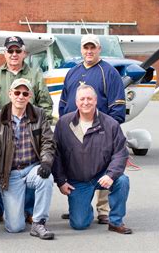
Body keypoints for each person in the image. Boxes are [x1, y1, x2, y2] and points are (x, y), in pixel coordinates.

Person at [0, 36, 53, 225]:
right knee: (2, 168)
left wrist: (40, 128)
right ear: (4, 53)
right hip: (0, 133)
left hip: (28, 130)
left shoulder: (36, 75)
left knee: (30, 165)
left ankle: (30, 210)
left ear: (24, 53)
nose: (14, 54)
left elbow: (46, 104)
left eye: (18, 51)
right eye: (10, 51)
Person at [58, 34, 126, 224]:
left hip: (100, 131)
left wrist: (107, 132)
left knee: (104, 169)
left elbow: (117, 108)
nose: (89, 51)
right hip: (74, 129)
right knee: (76, 168)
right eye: (86, 48)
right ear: (81, 50)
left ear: (99, 49)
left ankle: (103, 210)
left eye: (93, 48)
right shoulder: (72, 72)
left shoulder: (109, 72)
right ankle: (78, 205)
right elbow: (64, 103)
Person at [0, 78, 55, 240]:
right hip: (10, 174)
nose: (20, 96)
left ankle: (38, 222)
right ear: (10, 94)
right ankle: (17, 211)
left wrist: (46, 162)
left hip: (32, 167)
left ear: (29, 96)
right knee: (15, 227)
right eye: (17, 92)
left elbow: (48, 142)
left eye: (25, 93)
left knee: (46, 177)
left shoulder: (39, 114)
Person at [53, 84, 132, 234]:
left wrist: (111, 175)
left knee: (122, 180)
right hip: (77, 181)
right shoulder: (64, 124)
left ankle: (115, 221)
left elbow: (120, 153)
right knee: (79, 224)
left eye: (89, 98)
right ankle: (83, 207)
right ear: (76, 102)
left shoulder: (110, 125)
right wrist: (61, 181)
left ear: (96, 101)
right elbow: (56, 155)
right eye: (82, 99)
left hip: (101, 176)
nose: (86, 102)